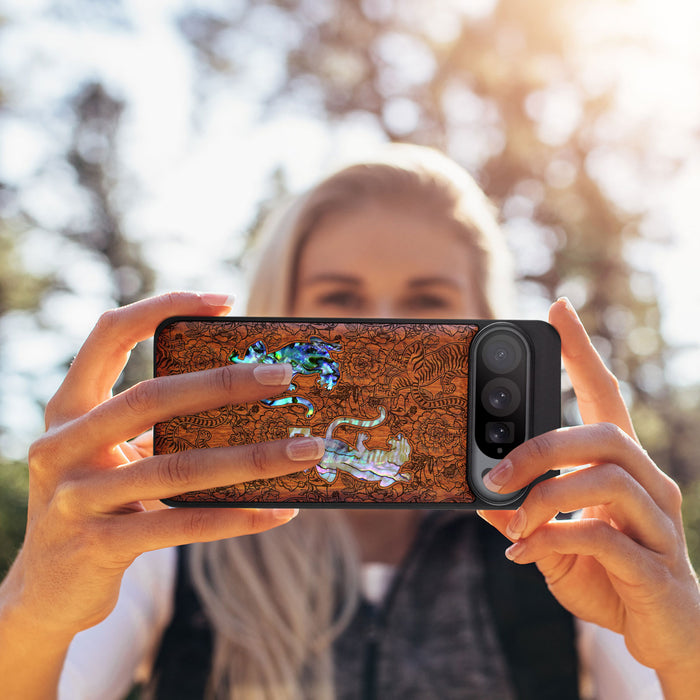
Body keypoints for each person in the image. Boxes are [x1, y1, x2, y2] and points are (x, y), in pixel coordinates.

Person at [0, 145, 698, 700]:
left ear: (487, 324)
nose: (386, 327)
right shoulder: (171, 534)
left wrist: (685, 649)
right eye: (340, 298)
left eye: (427, 301)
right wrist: (34, 607)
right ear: (280, 315)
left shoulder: (566, 543)